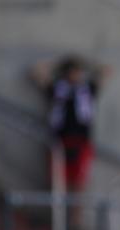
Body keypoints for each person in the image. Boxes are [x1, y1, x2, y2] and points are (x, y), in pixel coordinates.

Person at [30, 55, 111, 195]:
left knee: (79, 185)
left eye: (78, 72)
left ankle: (75, 217)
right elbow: (36, 72)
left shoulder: (87, 89)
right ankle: (57, 216)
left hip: (81, 142)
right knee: (59, 184)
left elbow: (107, 71)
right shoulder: (57, 88)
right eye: (71, 71)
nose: (75, 75)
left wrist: (88, 64)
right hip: (60, 142)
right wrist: (57, 64)